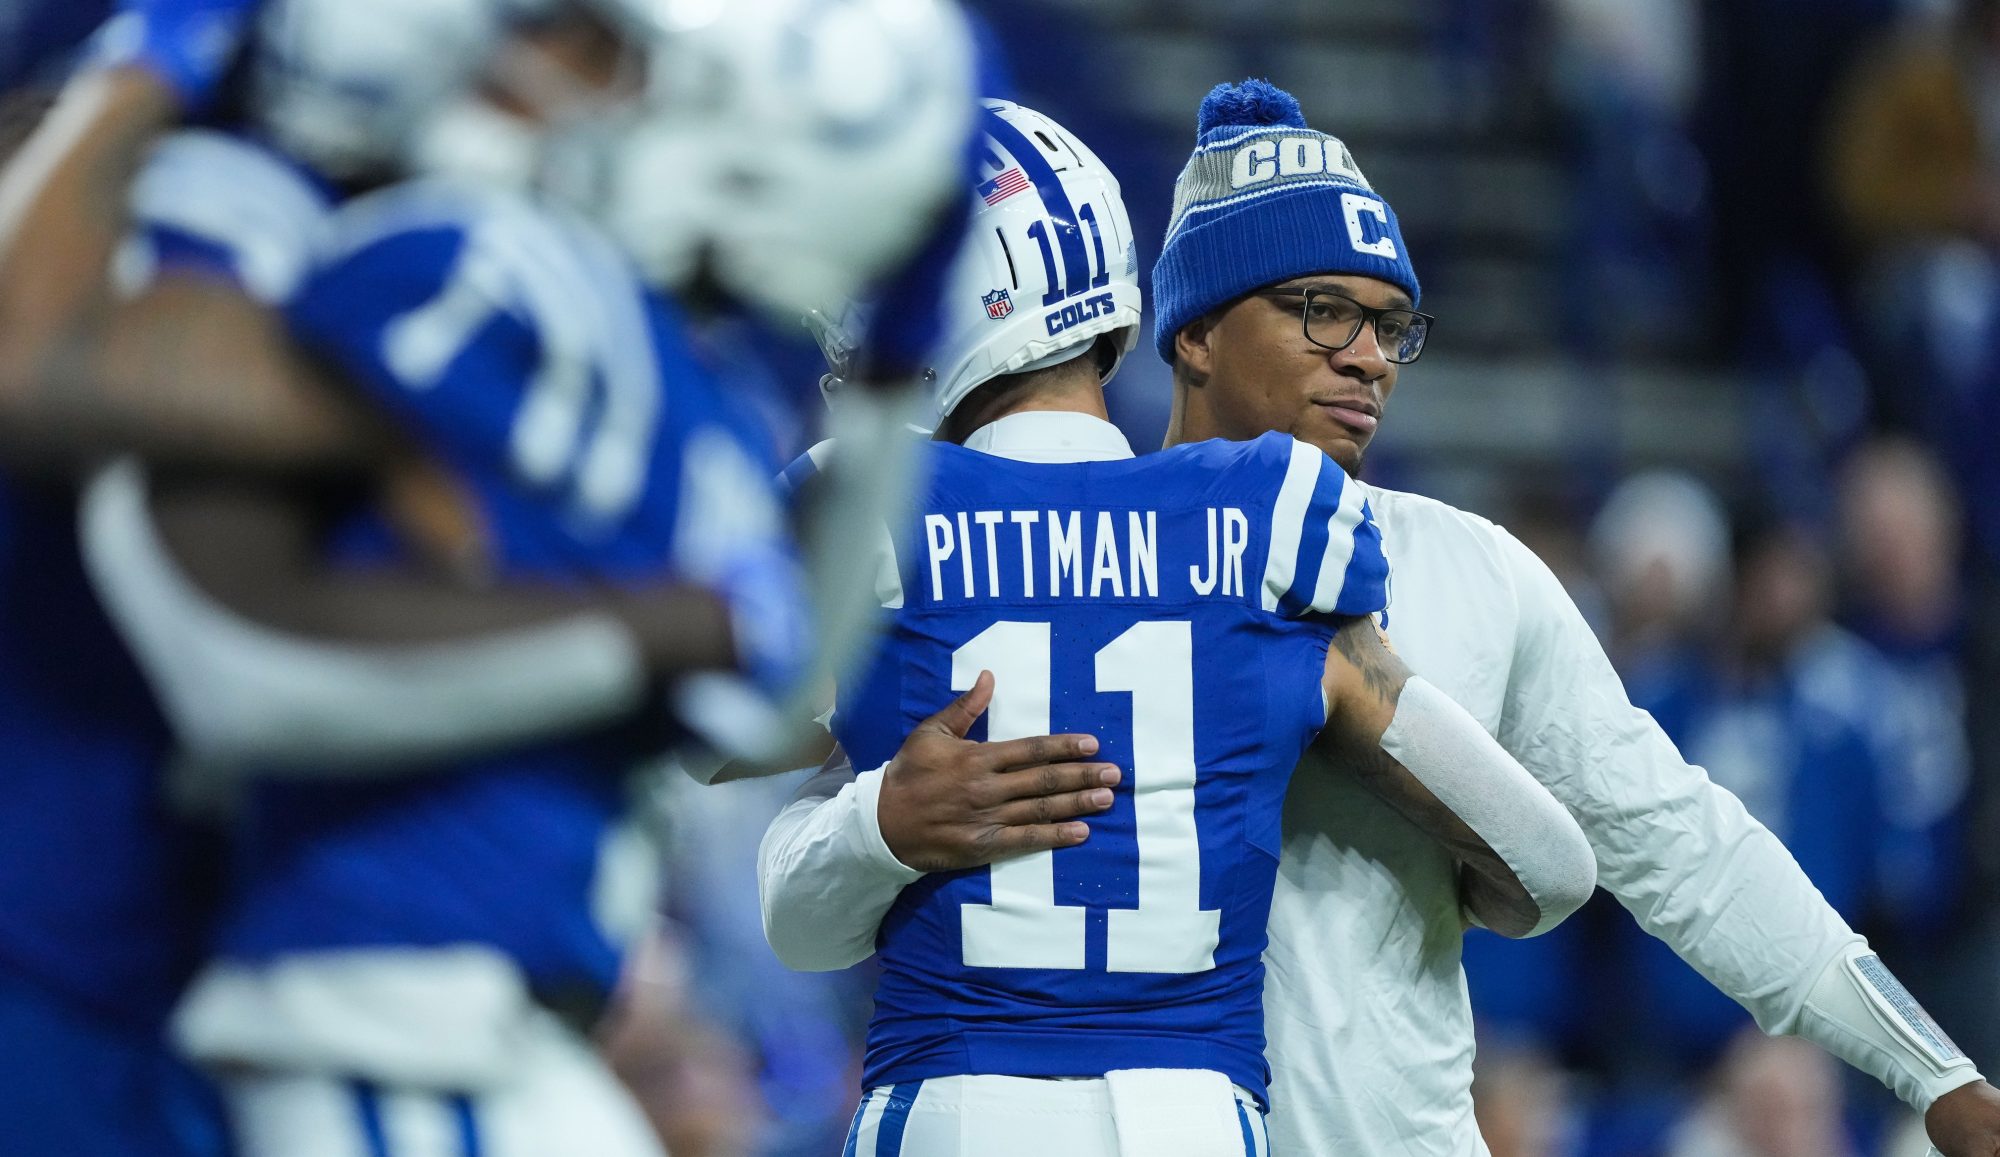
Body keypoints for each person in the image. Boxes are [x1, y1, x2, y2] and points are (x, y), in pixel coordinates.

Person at [755, 79, 2000, 1157]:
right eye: (1319, 309)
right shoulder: (1040, 549)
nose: (1367, 356)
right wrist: (873, 821)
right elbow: (798, 839)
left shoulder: (1471, 570)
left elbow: (1681, 847)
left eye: (1390, 321)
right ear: (1189, 330)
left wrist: (1929, 1070)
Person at [0, 0, 974, 1152]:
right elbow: (45, 371)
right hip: (124, 943)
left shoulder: (529, 290)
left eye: (591, 46)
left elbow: (766, 672)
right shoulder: (276, 209)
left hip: (213, 957)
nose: (534, 63)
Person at [762, 99, 1596, 1156]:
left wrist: (878, 818)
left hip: (960, 1103)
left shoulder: (865, 505)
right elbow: (1550, 861)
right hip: (1196, 1118)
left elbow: (785, 895)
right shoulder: (1271, 514)